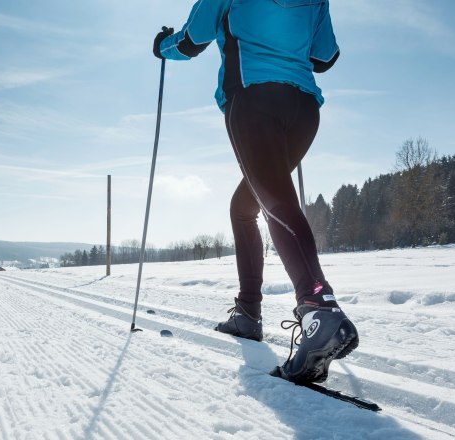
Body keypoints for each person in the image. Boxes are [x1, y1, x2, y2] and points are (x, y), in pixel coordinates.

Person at [153, 0, 357, 383]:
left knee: (276, 202)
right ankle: (248, 313)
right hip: (303, 110)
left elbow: (190, 42)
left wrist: (161, 44)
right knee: (245, 206)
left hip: (252, 100)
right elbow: (325, 56)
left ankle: (318, 307)